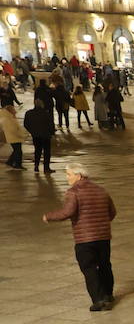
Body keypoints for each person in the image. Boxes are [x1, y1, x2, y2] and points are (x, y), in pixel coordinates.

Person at [42, 163, 117, 311]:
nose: (67, 177)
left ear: (79, 175)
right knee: (105, 265)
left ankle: (98, 299)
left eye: (69, 174)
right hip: (103, 237)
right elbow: (112, 212)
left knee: (89, 268)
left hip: (85, 239)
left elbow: (67, 212)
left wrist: (49, 216)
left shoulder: (73, 192)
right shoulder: (101, 190)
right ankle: (108, 294)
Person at [24, 96, 56, 174]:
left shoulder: (29, 113)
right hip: (46, 135)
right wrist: (52, 133)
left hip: (36, 135)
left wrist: (32, 131)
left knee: (37, 151)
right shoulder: (46, 113)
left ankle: (36, 166)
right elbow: (51, 124)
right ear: (42, 105)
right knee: (46, 152)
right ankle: (46, 168)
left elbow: (26, 124)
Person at [2, 102, 25, 168]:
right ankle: (17, 164)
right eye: (13, 109)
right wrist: (20, 134)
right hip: (14, 137)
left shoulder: (10, 118)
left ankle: (10, 161)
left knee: (16, 150)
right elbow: (13, 129)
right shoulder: (9, 119)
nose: (15, 110)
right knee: (18, 151)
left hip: (14, 137)